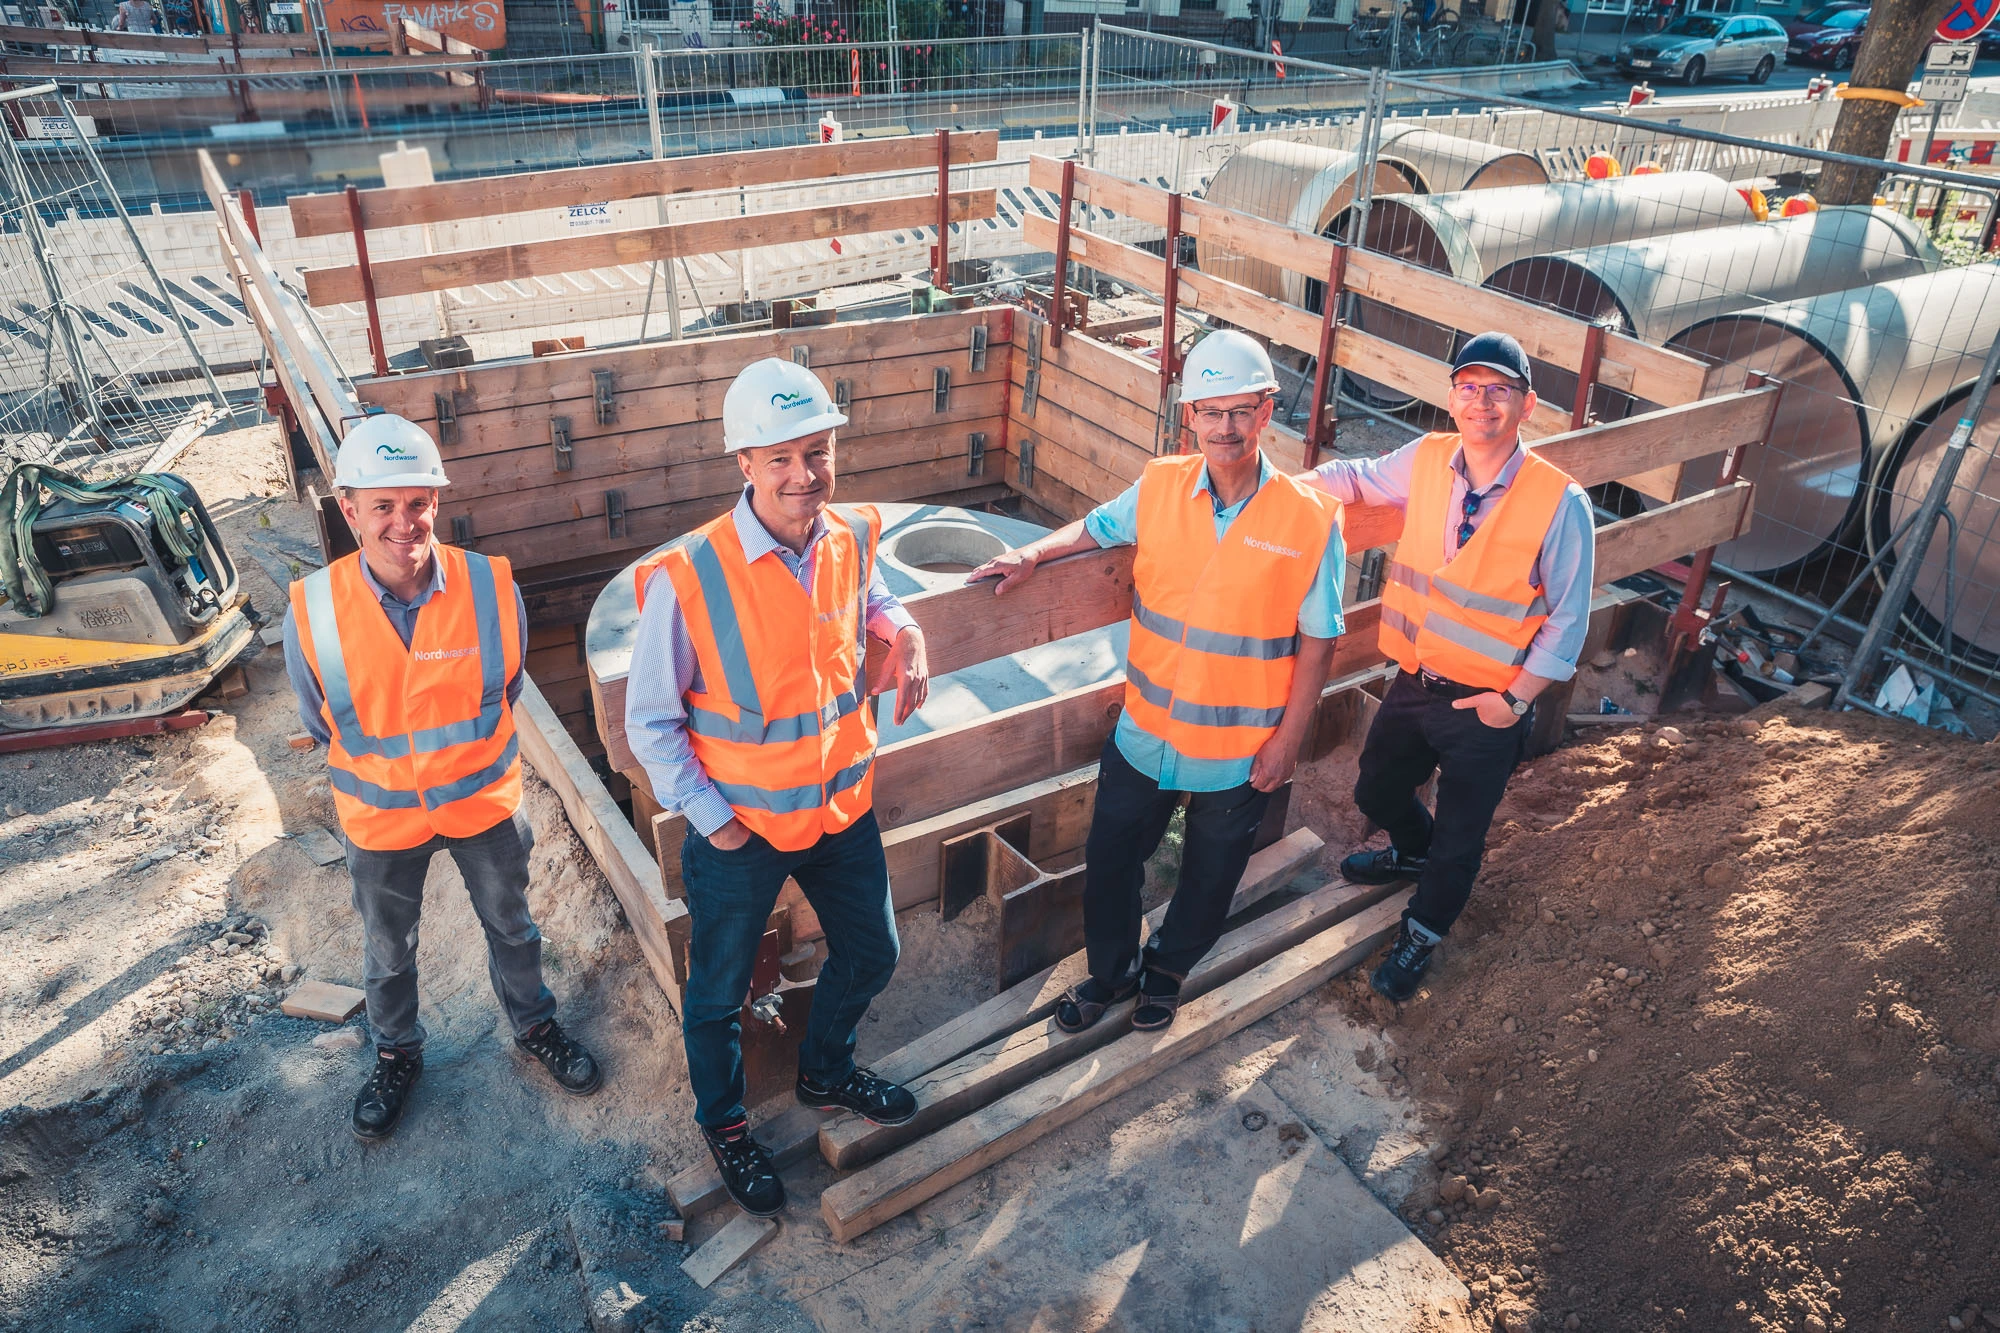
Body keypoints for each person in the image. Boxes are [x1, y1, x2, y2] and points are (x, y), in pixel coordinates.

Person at [969, 330, 1344, 1036]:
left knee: (1209, 876)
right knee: (1110, 862)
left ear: (1267, 413)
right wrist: (1032, 551)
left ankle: (1166, 973)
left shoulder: (1309, 517)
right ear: (1190, 416)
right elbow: (1095, 528)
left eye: (1241, 411)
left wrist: (1290, 737)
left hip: (1237, 748)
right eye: (1211, 410)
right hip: (1146, 733)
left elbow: (1321, 636)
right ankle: (1110, 975)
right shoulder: (1162, 485)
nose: (1225, 428)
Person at [624, 356, 931, 1218]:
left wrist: (902, 628)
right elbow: (651, 721)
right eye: (782, 457)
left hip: (838, 807)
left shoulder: (850, 535)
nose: (805, 475)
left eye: (819, 451)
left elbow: (869, 594)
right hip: (740, 828)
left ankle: (825, 1071)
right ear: (744, 464)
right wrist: (714, 821)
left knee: (874, 952)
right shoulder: (690, 577)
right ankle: (725, 1126)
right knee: (718, 994)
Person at [283, 415, 602, 1142]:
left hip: (482, 806)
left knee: (512, 927)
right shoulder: (314, 610)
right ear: (350, 510)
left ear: (437, 500)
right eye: (384, 505)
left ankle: (535, 1026)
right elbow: (322, 718)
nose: (405, 522)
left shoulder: (490, 587)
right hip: (380, 821)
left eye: (418, 502)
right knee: (388, 949)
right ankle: (397, 1053)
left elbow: (508, 684)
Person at [1304, 332, 1595, 1004]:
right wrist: (1293, 492)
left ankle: (1422, 932)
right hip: (1416, 681)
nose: (1482, 401)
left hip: (1488, 709)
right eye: (1470, 386)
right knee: (1376, 791)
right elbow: (1356, 478)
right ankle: (1412, 850)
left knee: (1461, 837)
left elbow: (1568, 621)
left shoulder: (1559, 502)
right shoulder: (1430, 458)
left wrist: (1514, 702)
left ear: (1526, 405)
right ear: (1451, 396)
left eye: (1500, 390)